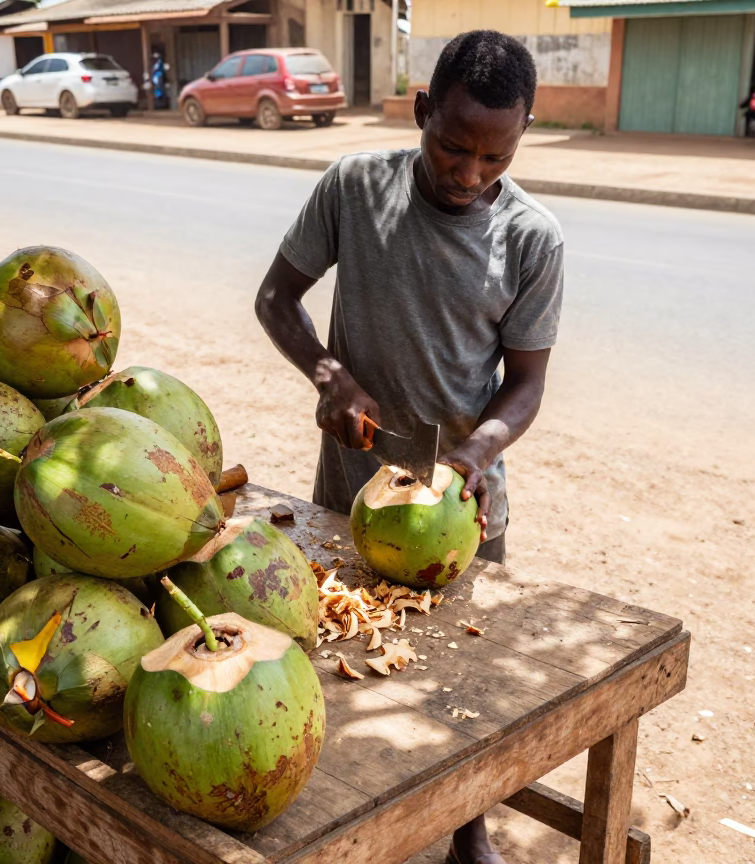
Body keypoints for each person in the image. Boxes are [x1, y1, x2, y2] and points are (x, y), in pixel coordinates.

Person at [255, 30, 562, 864]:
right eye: (452, 147)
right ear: (423, 112)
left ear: (523, 133)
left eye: (494, 158)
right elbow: (277, 299)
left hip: (462, 507)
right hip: (350, 493)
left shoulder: (535, 240)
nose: (469, 174)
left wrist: (475, 456)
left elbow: (526, 387)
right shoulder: (356, 187)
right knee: (351, 660)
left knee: (462, 685)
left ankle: (470, 828)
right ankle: (348, 821)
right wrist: (329, 377)